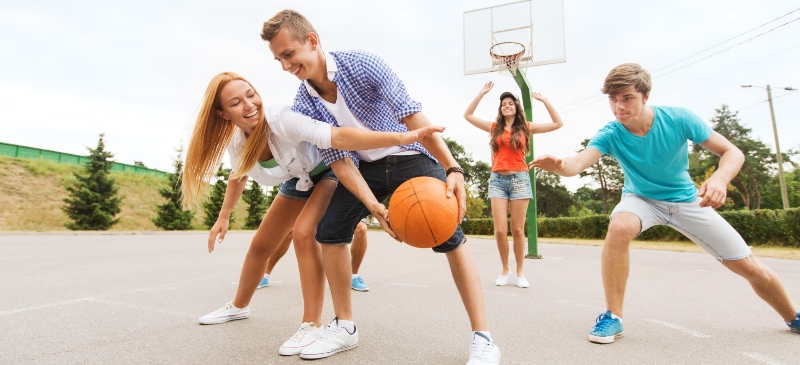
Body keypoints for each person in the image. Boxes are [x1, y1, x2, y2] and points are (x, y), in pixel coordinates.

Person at [262, 9, 501, 364]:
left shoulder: (364, 65)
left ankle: (483, 338)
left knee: (449, 233)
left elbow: (413, 118)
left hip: (409, 155)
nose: (285, 66)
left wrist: (453, 167)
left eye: (288, 54)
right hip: (362, 168)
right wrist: (373, 204)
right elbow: (340, 160)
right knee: (329, 231)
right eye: (279, 59)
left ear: (312, 41)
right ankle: (345, 327)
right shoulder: (304, 103)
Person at [529, 63, 800, 344]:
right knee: (620, 226)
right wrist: (560, 165)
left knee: (750, 267)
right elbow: (577, 163)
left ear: (645, 96)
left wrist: (719, 179)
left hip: (686, 200)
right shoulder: (611, 133)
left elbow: (731, 152)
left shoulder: (679, 119)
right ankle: (613, 317)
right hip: (641, 200)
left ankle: (793, 316)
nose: (619, 107)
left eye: (627, 98)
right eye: (613, 99)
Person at [182, 72, 442, 355]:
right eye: (236, 103)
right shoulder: (236, 140)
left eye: (250, 94)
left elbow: (338, 136)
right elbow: (238, 174)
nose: (249, 105)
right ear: (222, 114)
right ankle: (239, 306)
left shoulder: (281, 118)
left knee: (305, 232)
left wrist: (400, 136)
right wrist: (224, 216)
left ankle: (312, 324)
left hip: (331, 168)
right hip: (300, 179)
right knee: (261, 245)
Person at [463, 81, 563, 288]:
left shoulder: (526, 127)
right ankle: (505, 269)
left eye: (510, 103)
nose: (506, 106)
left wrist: (544, 100)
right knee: (500, 230)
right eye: (503, 104)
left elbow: (557, 124)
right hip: (497, 180)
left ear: (516, 107)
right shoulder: (494, 128)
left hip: (519, 179)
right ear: (500, 109)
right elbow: (468, 115)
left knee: (517, 229)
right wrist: (481, 93)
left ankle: (519, 272)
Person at [258, 220, 371, 291]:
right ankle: (265, 274)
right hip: (318, 190)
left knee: (361, 229)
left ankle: (353, 276)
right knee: (291, 230)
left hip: (345, 195)